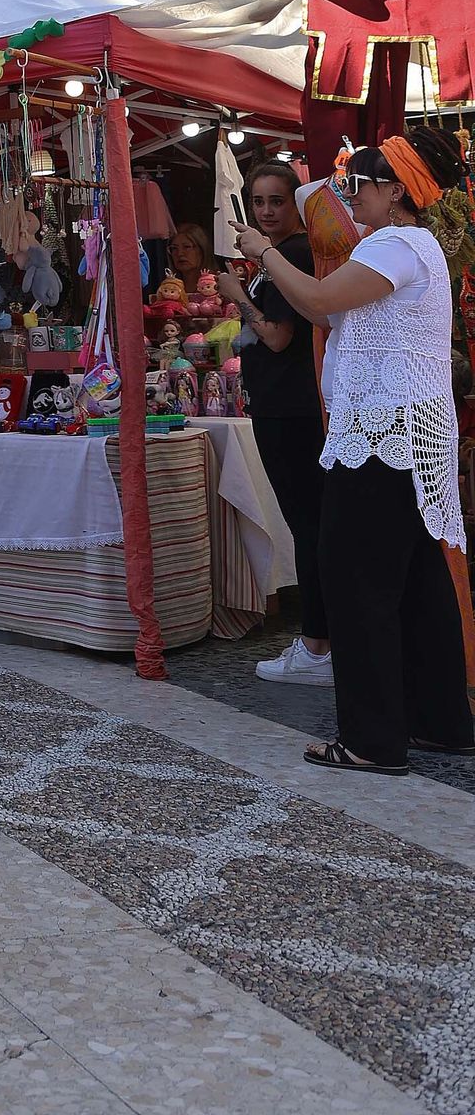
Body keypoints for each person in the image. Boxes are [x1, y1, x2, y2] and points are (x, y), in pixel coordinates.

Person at [235, 132, 474, 774]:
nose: (350, 196)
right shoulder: (408, 246)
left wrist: (265, 253)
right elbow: (327, 314)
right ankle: (440, 721)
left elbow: (315, 303)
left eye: (359, 185)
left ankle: (372, 739)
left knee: (357, 581)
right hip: (403, 430)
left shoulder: (396, 244)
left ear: (394, 191)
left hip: (383, 433)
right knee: (417, 580)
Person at [215, 161, 329, 684]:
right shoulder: (280, 257)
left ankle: (318, 644)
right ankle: (322, 639)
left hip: (291, 408)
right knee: (310, 523)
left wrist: (237, 296)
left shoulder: (293, 255)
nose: (266, 211)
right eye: (258, 201)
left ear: (295, 206)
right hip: (285, 404)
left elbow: (279, 336)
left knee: (308, 524)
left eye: (276, 201)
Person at [167, 222, 216, 294]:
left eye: (187, 247)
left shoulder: (218, 286)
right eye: (174, 248)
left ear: (202, 249)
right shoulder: (167, 289)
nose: (180, 253)